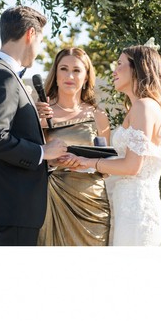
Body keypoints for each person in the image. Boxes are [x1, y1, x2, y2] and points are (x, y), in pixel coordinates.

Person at [60, 45, 161, 246]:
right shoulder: (139, 107)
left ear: (138, 68)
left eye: (119, 64)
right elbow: (123, 163)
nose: (114, 71)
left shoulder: (143, 106)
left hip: (139, 212)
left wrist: (88, 160)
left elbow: (132, 167)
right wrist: (83, 164)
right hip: (128, 210)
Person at [0, 6, 69, 246]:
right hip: (14, 204)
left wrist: (31, 115)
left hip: (13, 205)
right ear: (30, 34)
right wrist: (44, 152)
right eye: (41, 40)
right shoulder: (2, 77)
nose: (40, 49)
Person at [34, 48, 112, 246]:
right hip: (53, 199)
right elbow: (29, 157)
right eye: (64, 69)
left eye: (77, 70)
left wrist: (85, 163)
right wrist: (51, 160)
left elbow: (108, 167)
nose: (70, 76)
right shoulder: (40, 114)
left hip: (92, 205)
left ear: (86, 77)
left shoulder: (98, 116)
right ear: (56, 74)